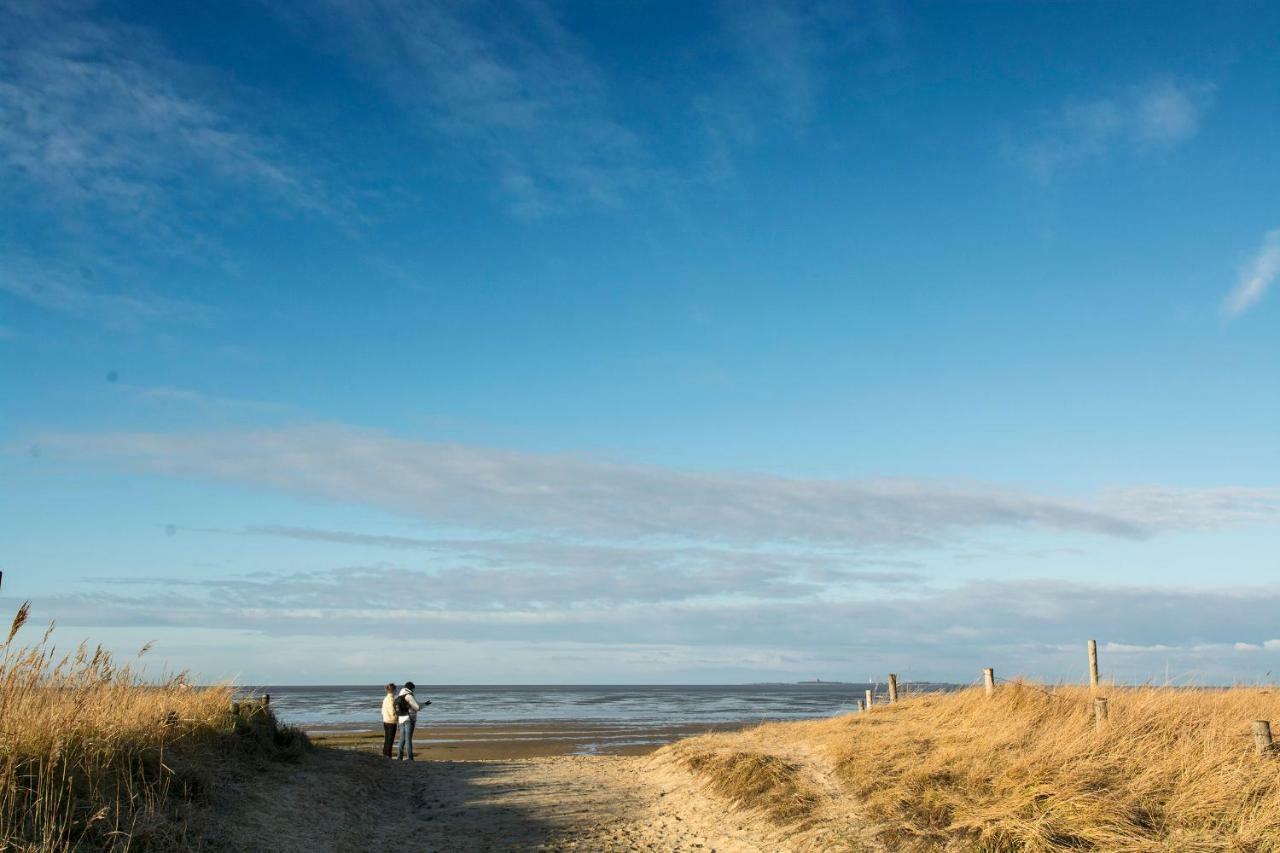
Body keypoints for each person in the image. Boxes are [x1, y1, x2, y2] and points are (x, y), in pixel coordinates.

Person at [395, 681, 430, 760]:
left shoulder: (400, 694)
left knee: (402, 739)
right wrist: (425, 705)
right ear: (412, 688)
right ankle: (410, 758)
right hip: (409, 719)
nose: (414, 690)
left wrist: (424, 703)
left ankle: (399, 757)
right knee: (408, 739)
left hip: (401, 719)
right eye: (414, 688)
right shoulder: (409, 695)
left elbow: (414, 704)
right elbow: (417, 707)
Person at [380, 683, 398, 759]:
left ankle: (385, 753)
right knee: (390, 739)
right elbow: (392, 711)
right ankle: (388, 755)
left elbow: (382, 710)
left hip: (386, 720)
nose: (396, 691)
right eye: (396, 689)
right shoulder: (391, 699)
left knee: (387, 739)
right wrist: (397, 716)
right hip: (391, 721)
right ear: (393, 690)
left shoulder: (385, 698)